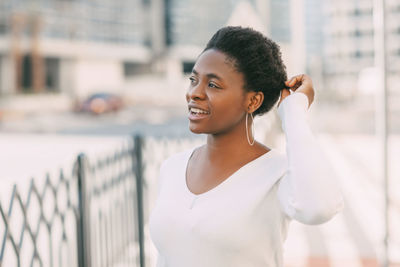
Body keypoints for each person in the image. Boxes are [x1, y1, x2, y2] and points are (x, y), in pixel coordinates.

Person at [149, 26, 344, 267]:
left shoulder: (277, 174)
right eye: (193, 79)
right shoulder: (172, 168)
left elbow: (319, 208)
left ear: (253, 100)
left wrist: (294, 112)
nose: (194, 93)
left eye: (213, 85)